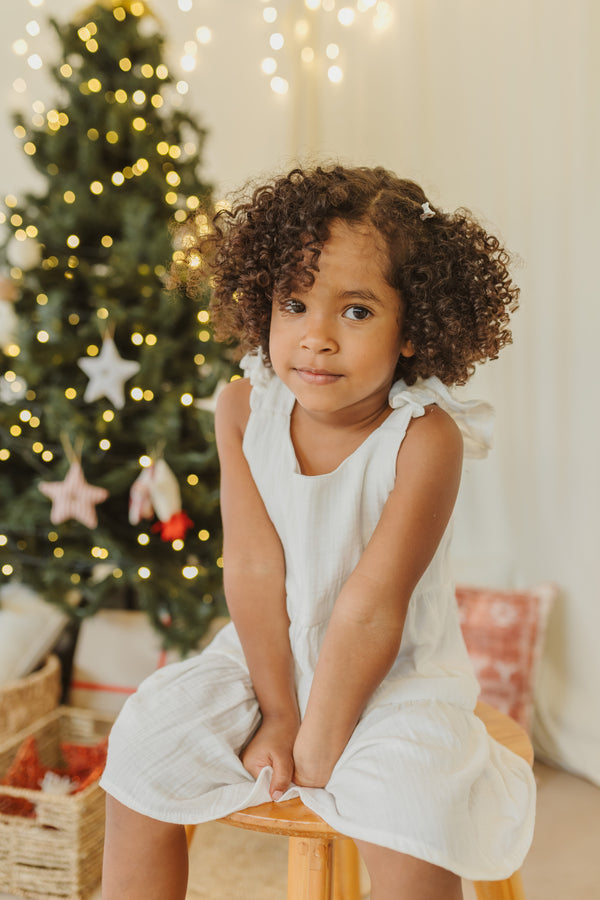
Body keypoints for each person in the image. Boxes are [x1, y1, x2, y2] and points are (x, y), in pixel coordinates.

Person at [100, 165, 535, 900]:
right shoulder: (242, 408)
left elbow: (371, 604)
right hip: (264, 652)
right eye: (294, 303)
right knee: (145, 739)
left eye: (357, 312)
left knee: (410, 807)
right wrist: (277, 710)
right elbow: (253, 570)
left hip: (391, 675)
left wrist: (320, 739)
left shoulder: (424, 439)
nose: (317, 338)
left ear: (414, 328)